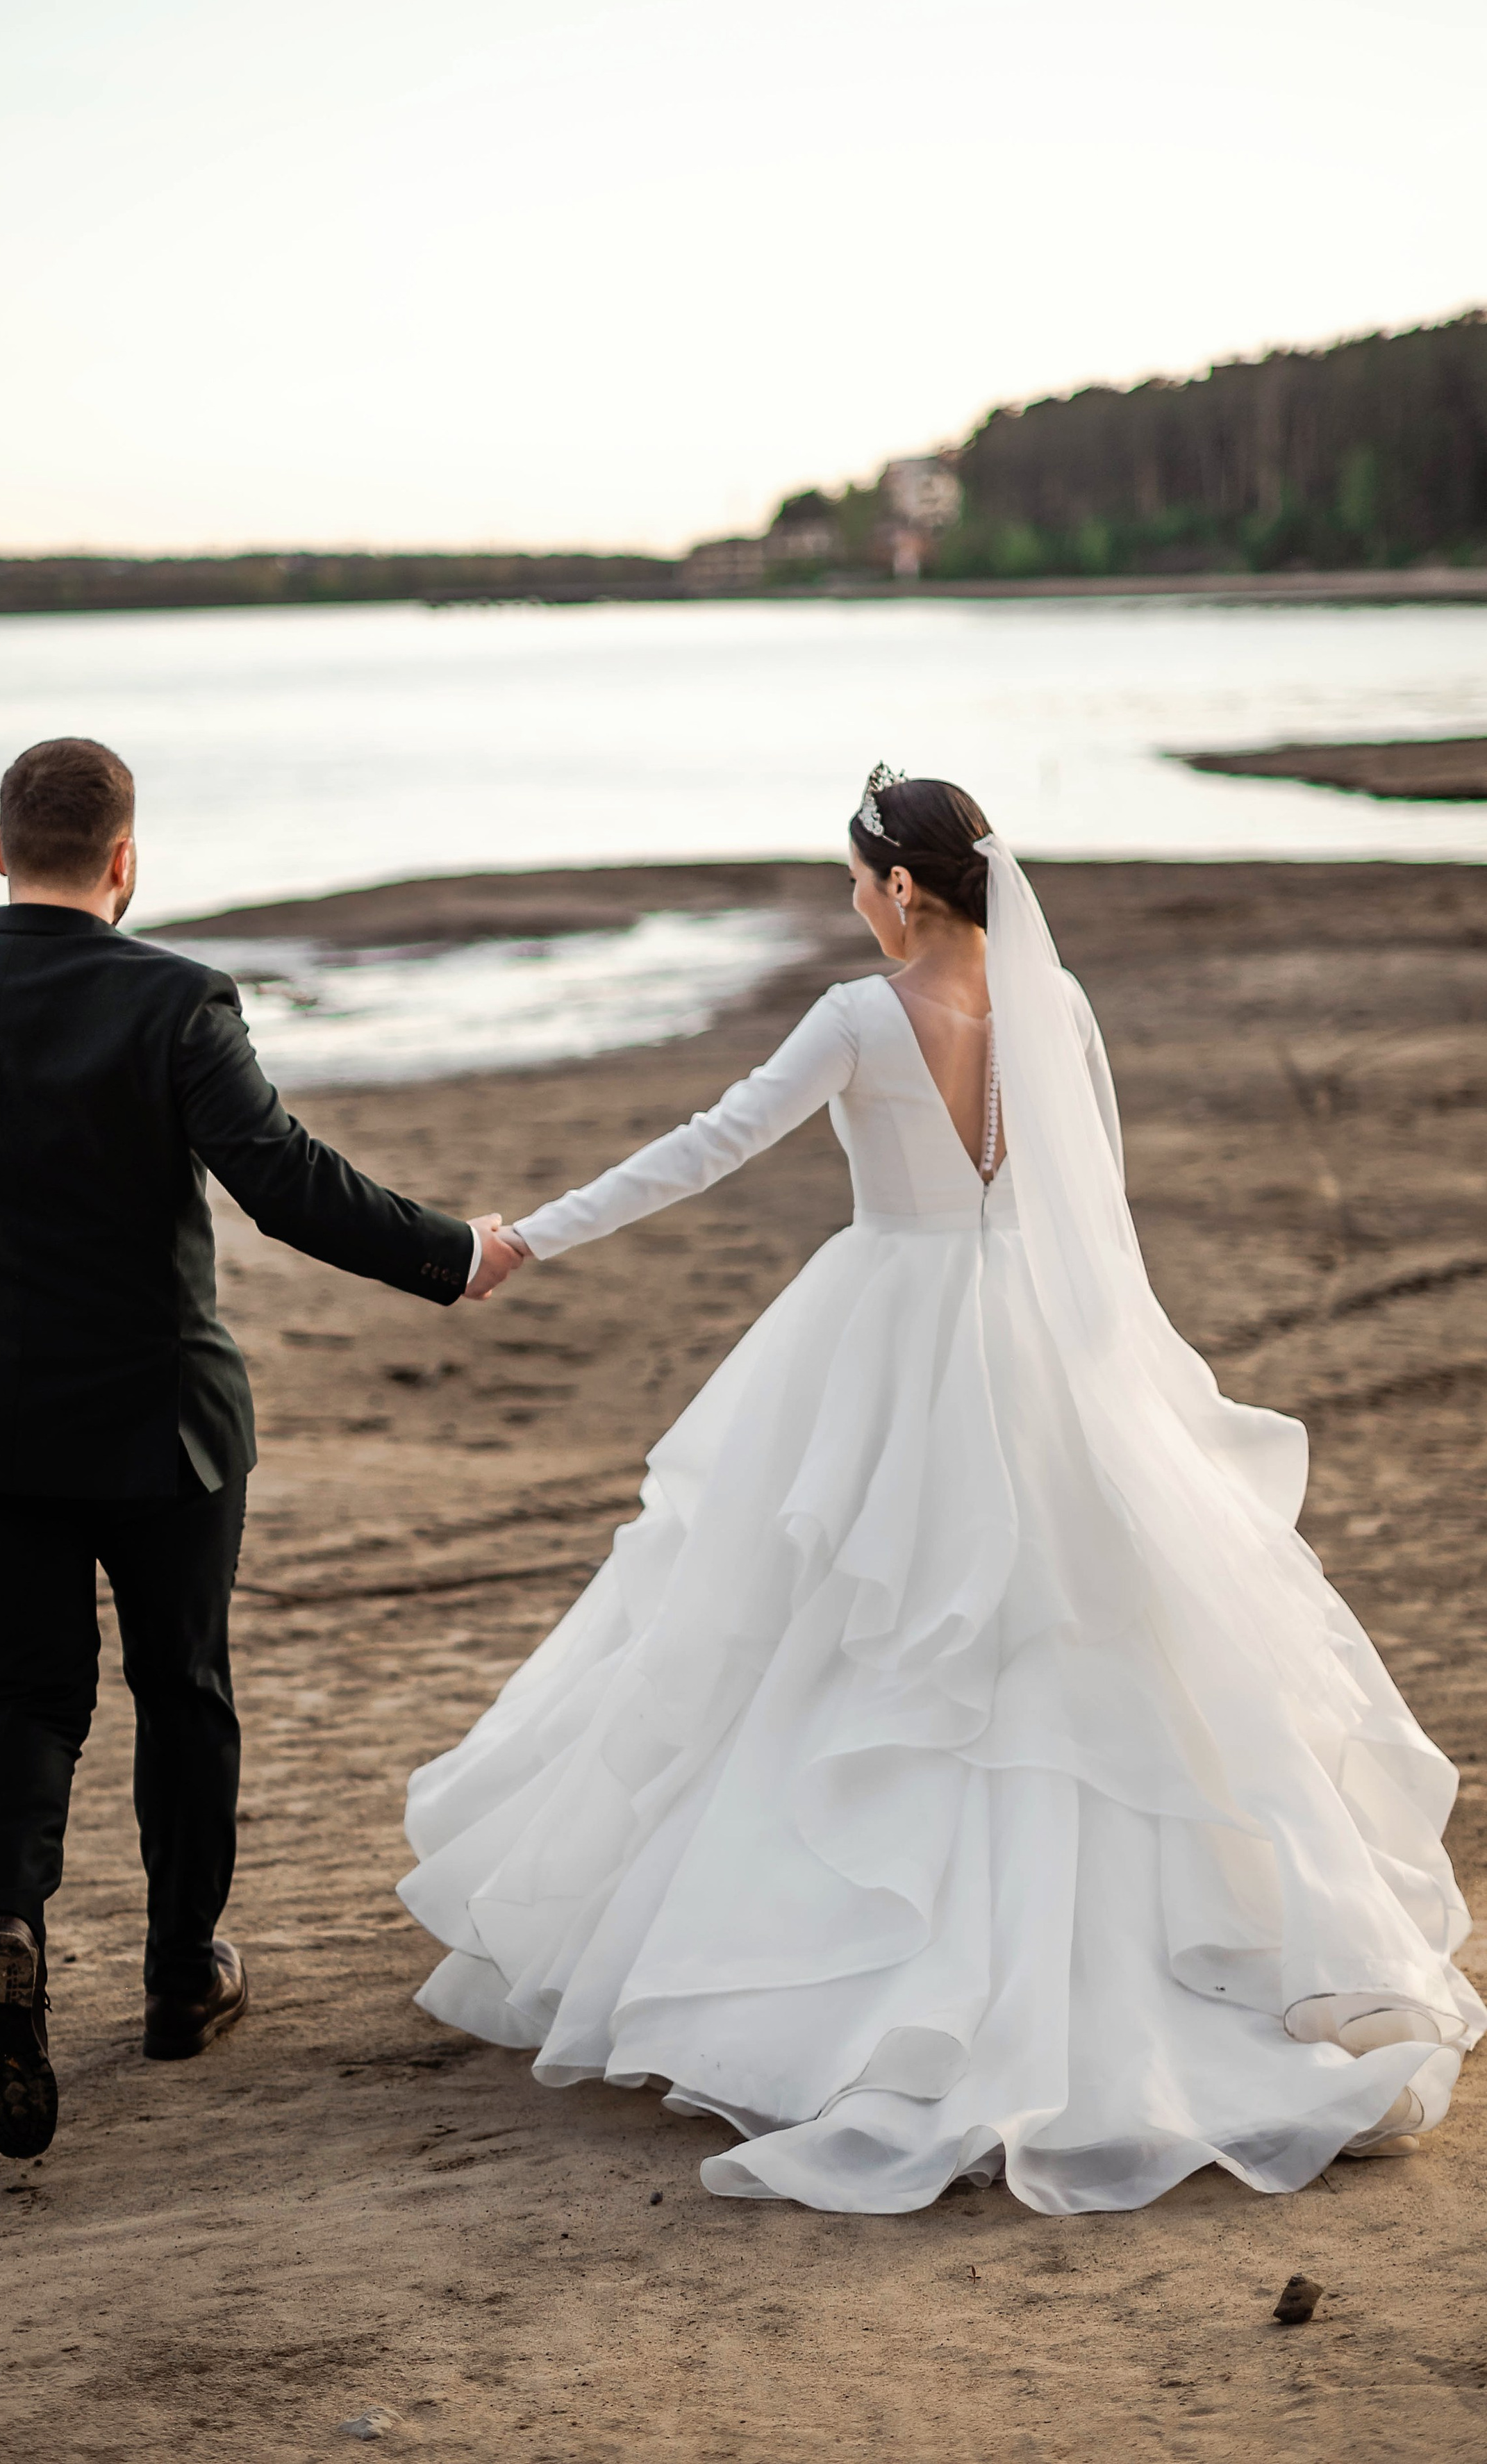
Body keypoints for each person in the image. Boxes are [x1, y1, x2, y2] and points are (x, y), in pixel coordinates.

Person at [399, 769, 1481, 2215]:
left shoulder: (860, 1017)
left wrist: (523, 1235)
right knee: (1072, 1629)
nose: (851, 903)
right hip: (1043, 1342)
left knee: (834, 1624)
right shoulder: (1059, 1003)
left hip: (889, 1332)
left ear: (902, 887)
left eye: (855, 880)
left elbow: (711, 1144)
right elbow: (1088, 1203)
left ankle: (854, 1988)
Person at [0, 736, 522, 2162]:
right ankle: (182, 1980)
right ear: (126, 859)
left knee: (27, 1694)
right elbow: (284, 1180)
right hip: (159, 1419)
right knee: (182, 1686)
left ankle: (5, 1923)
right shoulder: (176, 997)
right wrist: (453, 1252)